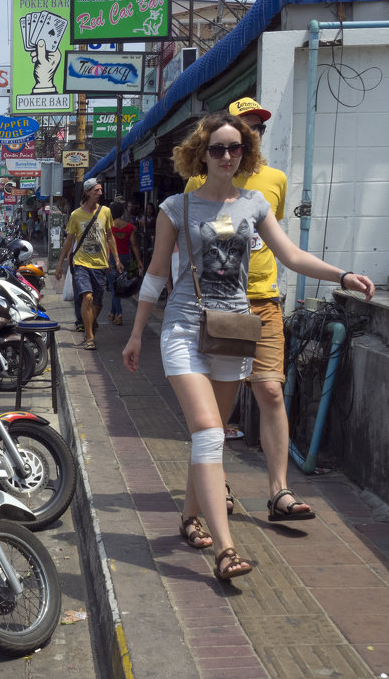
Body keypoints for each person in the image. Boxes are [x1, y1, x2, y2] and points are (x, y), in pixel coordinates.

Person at [122, 111, 374, 582]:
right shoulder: (177, 207)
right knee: (208, 430)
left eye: (234, 148)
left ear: (245, 153)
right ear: (201, 154)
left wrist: (341, 274)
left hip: (233, 329)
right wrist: (137, 333)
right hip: (183, 326)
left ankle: (189, 517)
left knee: (211, 432)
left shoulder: (255, 204)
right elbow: (156, 274)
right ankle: (226, 549)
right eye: (216, 148)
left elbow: (291, 255)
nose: (225, 155)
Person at [185, 97, 304, 519]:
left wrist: (340, 275)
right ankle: (217, 488)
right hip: (220, 308)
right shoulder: (194, 188)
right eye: (225, 143)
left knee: (271, 390)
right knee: (217, 410)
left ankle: (280, 492)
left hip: (263, 299)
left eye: (251, 134)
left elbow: (281, 245)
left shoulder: (274, 181)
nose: (233, 151)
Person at [55, 177, 123, 350]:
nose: (100, 193)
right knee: (87, 297)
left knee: (98, 303)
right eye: (96, 190)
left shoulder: (106, 212)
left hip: (100, 264)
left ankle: (88, 327)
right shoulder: (76, 215)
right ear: (87, 192)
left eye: (100, 190)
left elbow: (109, 237)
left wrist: (116, 259)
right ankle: (90, 336)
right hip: (81, 263)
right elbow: (69, 241)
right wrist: (59, 264)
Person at [108, 200, 144, 325]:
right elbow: (134, 245)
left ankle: (119, 314)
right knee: (119, 285)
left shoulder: (108, 227)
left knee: (114, 288)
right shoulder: (130, 227)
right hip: (126, 258)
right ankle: (112, 312)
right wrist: (139, 260)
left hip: (112, 258)